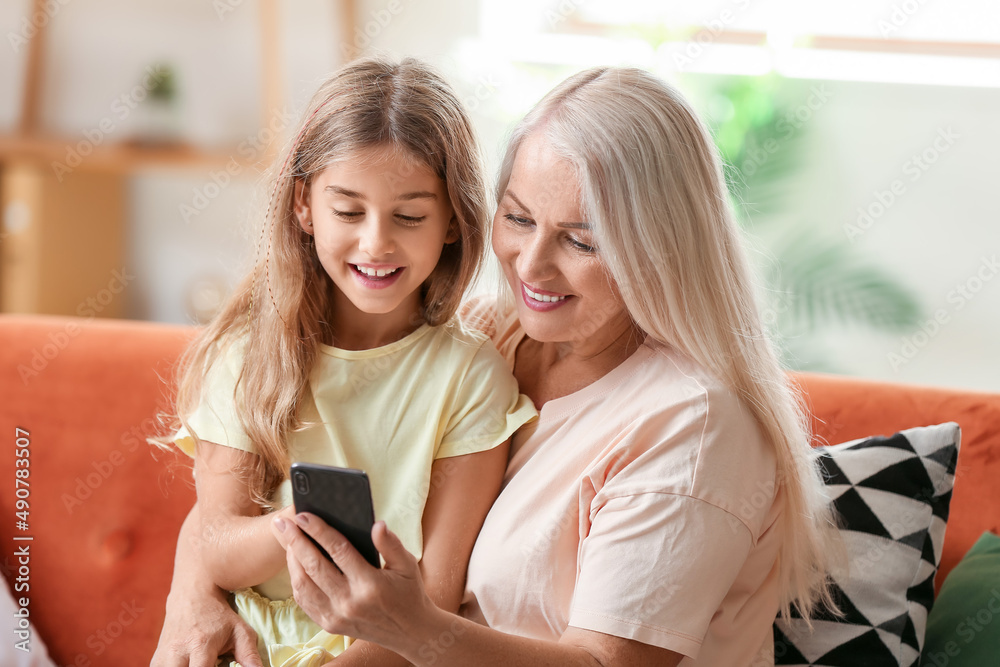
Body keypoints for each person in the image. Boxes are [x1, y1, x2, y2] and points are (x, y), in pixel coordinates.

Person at [154, 66, 838, 667]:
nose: (532, 266)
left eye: (581, 241)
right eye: (517, 218)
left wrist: (418, 632)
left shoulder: (693, 425)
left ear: (661, 247)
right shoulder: (495, 333)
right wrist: (191, 598)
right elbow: (222, 517)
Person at [154, 57, 536, 667]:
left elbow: (433, 597)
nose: (377, 242)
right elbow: (216, 547)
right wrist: (306, 528)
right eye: (348, 211)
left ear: (451, 223)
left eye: (409, 215)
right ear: (305, 206)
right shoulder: (250, 354)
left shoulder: (470, 378)